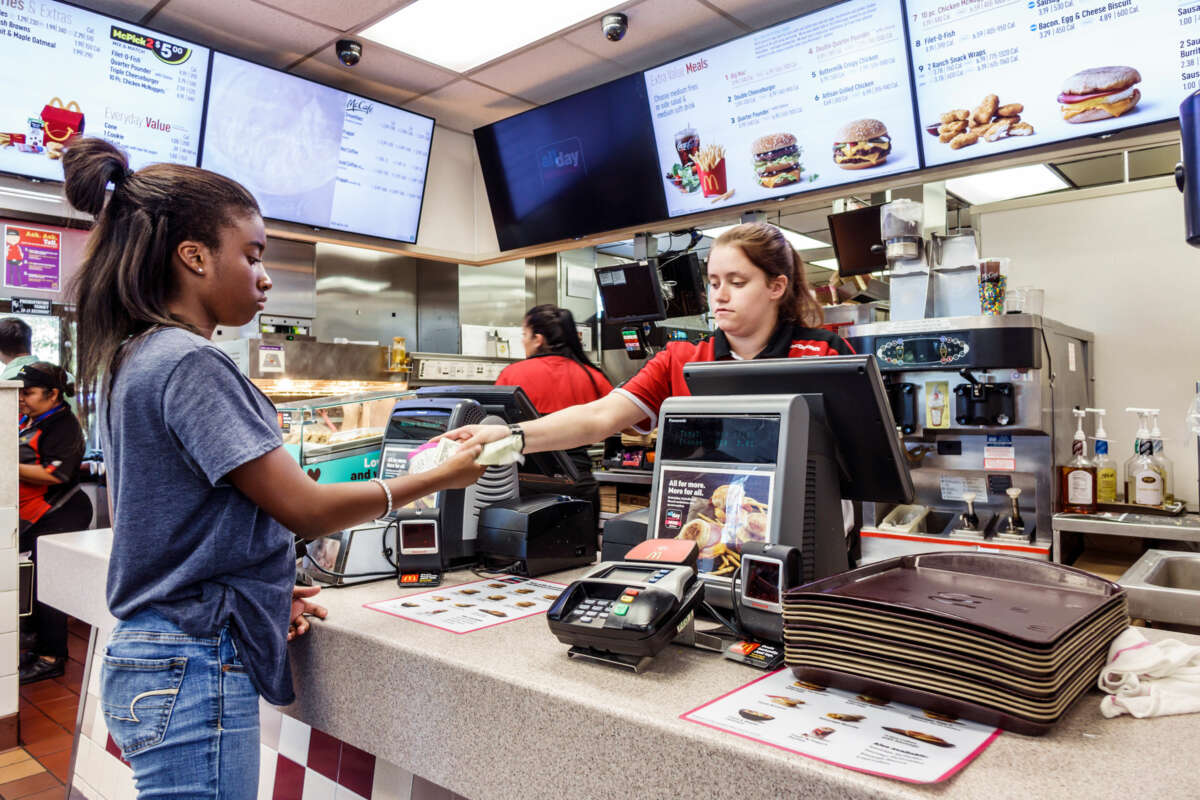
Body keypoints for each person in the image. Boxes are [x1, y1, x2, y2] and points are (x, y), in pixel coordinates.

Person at [61, 137, 485, 799]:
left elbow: (181, 521)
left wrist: (255, 591)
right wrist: (438, 474)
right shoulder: (188, 362)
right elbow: (305, 508)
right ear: (194, 257)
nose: (265, 277)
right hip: (191, 663)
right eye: (252, 256)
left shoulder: (135, 356)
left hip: (162, 655)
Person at [444, 221, 853, 463]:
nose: (720, 295)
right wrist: (510, 436)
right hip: (702, 527)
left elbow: (860, 456)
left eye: (737, 282)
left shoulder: (825, 353)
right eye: (713, 283)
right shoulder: (683, 358)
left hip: (803, 535)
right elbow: (597, 417)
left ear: (776, 286)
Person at [495, 304, 613, 524]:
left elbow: (496, 424)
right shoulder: (591, 375)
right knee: (583, 556)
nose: (523, 340)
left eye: (524, 334)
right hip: (579, 483)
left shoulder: (512, 374)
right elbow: (623, 424)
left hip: (524, 484)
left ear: (538, 339)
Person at [17, 361, 91, 683]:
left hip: (61, 512)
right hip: (33, 514)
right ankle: (33, 641)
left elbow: (54, 474)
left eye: (29, 393)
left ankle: (52, 657)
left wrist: (6, 461)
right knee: (28, 581)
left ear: (53, 394)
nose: (22, 398)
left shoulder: (63, 425)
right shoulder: (26, 419)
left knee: (48, 584)